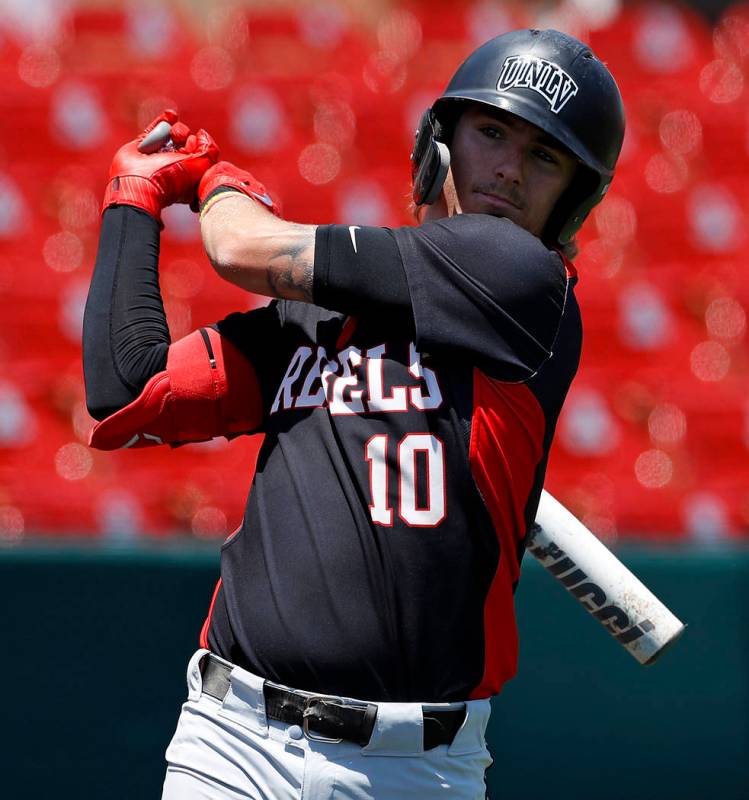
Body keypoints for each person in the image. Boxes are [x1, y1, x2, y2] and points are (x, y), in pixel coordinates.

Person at [83, 28, 625, 800]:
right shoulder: (316, 317)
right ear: (441, 143)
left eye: (544, 157)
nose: (508, 167)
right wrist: (132, 201)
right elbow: (127, 385)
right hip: (231, 740)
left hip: (412, 768)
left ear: (570, 195)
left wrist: (214, 183)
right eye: (493, 132)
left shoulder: (524, 283)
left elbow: (238, 248)